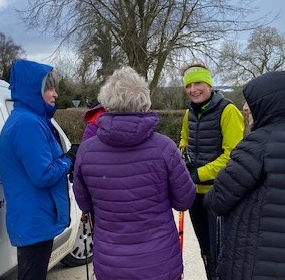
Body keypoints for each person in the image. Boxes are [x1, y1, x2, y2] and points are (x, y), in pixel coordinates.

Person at [72, 67, 196, 280]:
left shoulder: (86, 150)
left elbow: (85, 205)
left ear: (107, 105)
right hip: (159, 262)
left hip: (110, 263)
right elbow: (184, 200)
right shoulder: (164, 147)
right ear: (145, 103)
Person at [203, 70, 285, 280]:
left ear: (268, 103)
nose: (245, 108)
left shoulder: (258, 144)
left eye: (250, 102)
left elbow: (217, 200)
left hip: (251, 263)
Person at [0, 59, 79, 280]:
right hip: (33, 220)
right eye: (48, 88)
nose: (55, 94)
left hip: (36, 218)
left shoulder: (33, 119)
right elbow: (43, 174)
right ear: (32, 90)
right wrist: (69, 159)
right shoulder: (27, 124)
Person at [179, 64, 244, 280]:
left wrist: (198, 174)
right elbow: (184, 141)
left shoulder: (228, 111)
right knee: (206, 250)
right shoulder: (189, 113)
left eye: (198, 83)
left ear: (209, 84)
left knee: (221, 254)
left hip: (219, 193)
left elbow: (233, 155)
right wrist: (182, 158)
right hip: (194, 194)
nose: (193, 89)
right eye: (188, 85)